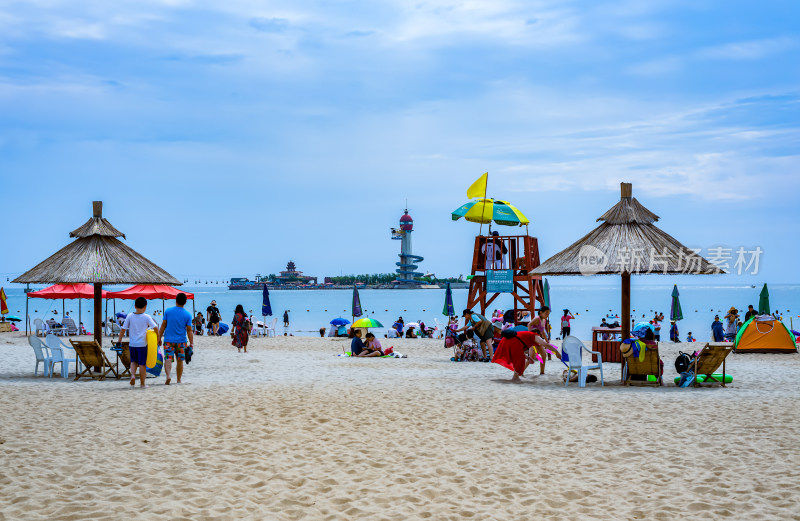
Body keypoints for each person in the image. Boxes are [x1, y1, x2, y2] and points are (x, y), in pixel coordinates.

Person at [118, 296, 158, 388]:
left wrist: (119, 341)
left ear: (135, 306)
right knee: (142, 364)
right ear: (145, 307)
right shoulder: (147, 317)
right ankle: (142, 384)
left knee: (133, 362)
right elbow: (155, 328)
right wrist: (158, 339)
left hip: (132, 344)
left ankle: (132, 375)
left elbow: (123, 329)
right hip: (142, 345)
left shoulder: (130, 316)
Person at [158, 293, 194, 385]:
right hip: (181, 341)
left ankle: (168, 376)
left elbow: (163, 326)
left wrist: (159, 337)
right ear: (185, 302)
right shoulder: (188, 315)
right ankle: (178, 380)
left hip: (168, 340)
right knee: (180, 361)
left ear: (176, 300)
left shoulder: (168, 311)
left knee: (168, 359)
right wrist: (191, 343)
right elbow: (189, 330)